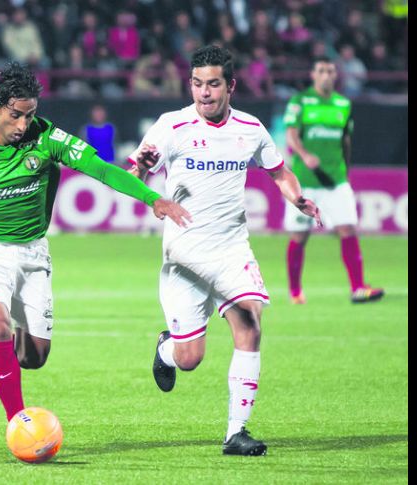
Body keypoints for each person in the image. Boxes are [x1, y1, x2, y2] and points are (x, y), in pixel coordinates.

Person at [0, 62, 191, 422]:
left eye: (30, 116)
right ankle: (20, 424)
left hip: (33, 253)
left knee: (33, 356)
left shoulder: (48, 138)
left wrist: (151, 197)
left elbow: (102, 168)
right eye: (16, 115)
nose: (23, 126)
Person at [127, 45, 321, 456]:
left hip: (232, 250)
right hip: (183, 258)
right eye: (197, 84)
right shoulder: (170, 126)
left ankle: (236, 432)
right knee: (190, 357)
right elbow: (134, 172)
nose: (204, 93)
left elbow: (279, 171)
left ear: (230, 86)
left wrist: (297, 198)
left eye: (213, 84)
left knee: (250, 323)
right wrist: (142, 167)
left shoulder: (250, 129)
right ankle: (166, 348)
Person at [282, 57, 385, 305]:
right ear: (313, 74)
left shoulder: (343, 104)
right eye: (321, 71)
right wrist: (304, 155)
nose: (326, 75)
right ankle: (295, 292)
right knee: (300, 236)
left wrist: (346, 172)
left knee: (348, 229)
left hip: (336, 180)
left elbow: (345, 142)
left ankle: (358, 288)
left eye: (330, 71)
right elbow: (291, 135)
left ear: (335, 75)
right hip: (305, 182)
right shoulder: (300, 102)